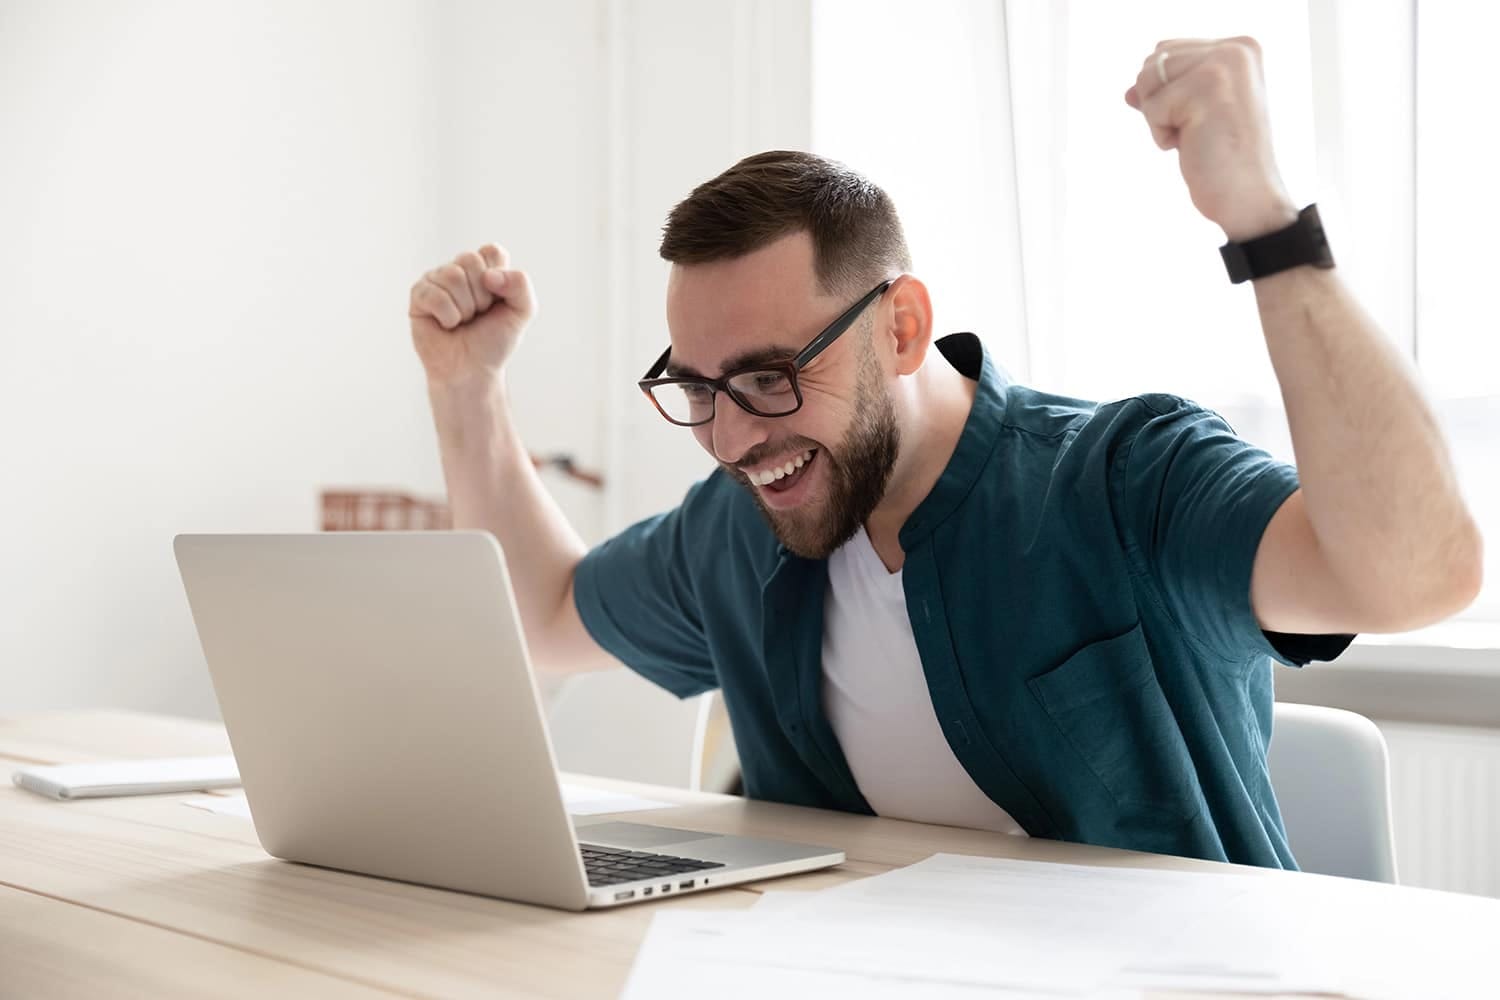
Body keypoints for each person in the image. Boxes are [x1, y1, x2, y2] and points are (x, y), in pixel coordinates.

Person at [407, 38, 1481, 867]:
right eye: (700, 388)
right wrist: (466, 389)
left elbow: (1417, 574)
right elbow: (545, 616)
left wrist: (1265, 221)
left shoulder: (1123, 478)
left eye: (772, 377)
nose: (731, 438)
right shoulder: (743, 526)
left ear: (903, 328)